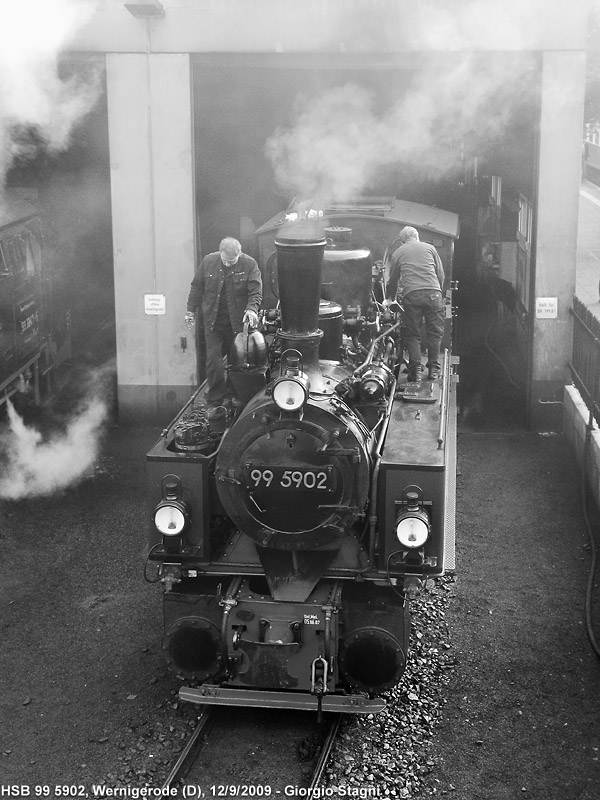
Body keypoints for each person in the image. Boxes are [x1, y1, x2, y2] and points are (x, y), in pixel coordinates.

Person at [185, 237, 262, 406]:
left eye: (232, 262)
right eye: (225, 261)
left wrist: (251, 309)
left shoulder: (250, 265)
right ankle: (215, 399)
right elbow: (197, 286)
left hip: (237, 325)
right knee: (214, 362)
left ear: (239, 254)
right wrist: (190, 310)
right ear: (220, 253)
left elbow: (255, 291)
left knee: (238, 362)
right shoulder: (208, 261)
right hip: (213, 323)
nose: (228, 265)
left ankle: (234, 394)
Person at [384, 226, 445, 382]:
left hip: (412, 295)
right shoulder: (430, 248)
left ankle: (415, 372)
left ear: (403, 240)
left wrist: (390, 298)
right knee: (434, 333)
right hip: (434, 293)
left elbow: (393, 279)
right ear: (417, 237)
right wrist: (439, 293)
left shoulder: (399, 252)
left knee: (413, 335)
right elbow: (440, 274)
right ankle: (433, 370)